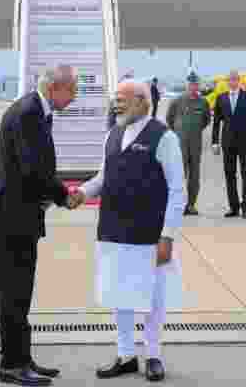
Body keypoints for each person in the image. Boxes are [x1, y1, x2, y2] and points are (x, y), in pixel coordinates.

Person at [0, 64, 83, 386]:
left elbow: (35, 168)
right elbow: (33, 169)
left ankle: (22, 358)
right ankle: (12, 365)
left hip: (19, 212)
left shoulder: (33, 109)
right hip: (13, 215)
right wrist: (64, 196)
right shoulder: (29, 113)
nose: (75, 96)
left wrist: (58, 194)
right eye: (73, 89)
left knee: (20, 291)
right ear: (56, 87)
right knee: (14, 292)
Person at [75, 79, 185, 382]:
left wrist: (168, 235)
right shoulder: (113, 133)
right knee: (119, 294)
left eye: (122, 99)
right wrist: (82, 193)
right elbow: (103, 176)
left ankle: (153, 355)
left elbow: (178, 190)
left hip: (149, 233)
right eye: (115, 99)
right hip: (113, 229)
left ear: (141, 102)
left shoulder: (164, 137)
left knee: (152, 297)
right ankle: (125, 355)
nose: (116, 104)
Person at [211, 70, 246, 219]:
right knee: (229, 174)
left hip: (245, 141)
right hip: (227, 142)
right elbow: (216, 123)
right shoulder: (221, 98)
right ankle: (233, 207)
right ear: (227, 81)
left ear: (239, 80)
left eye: (235, 79)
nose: (232, 82)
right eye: (230, 79)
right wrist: (215, 142)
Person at [165, 72, 210, 216]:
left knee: (194, 176)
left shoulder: (203, 102)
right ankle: (178, 205)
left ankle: (191, 205)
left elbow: (206, 120)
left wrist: (193, 131)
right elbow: (169, 119)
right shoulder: (177, 101)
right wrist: (179, 132)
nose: (193, 87)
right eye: (191, 84)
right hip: (180, 144)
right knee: (179, 175)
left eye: (196, 84)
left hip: (196, 144)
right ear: (187, 85)